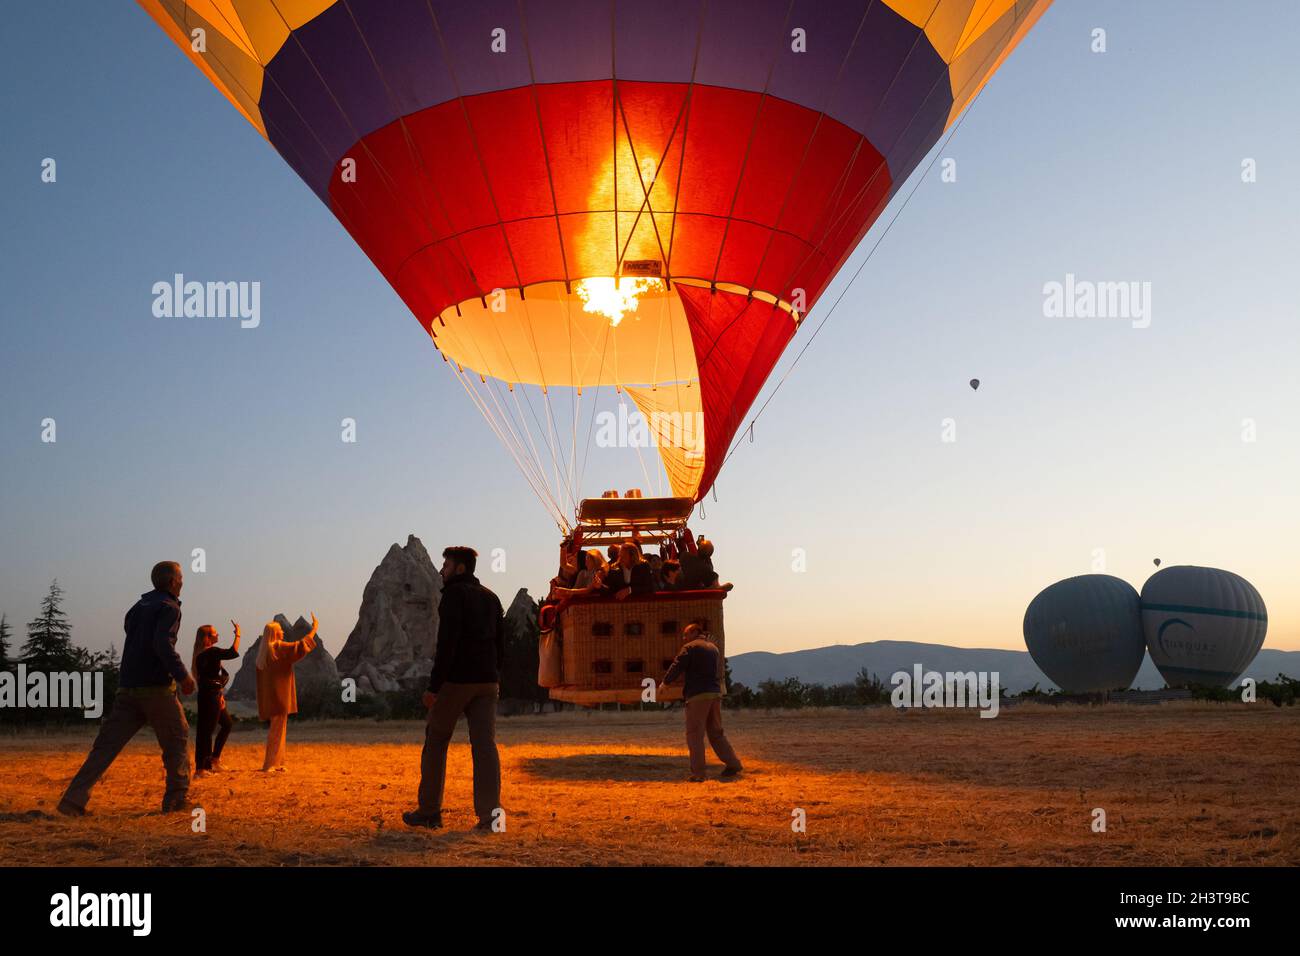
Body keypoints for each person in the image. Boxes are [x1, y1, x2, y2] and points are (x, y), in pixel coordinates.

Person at [58, 561, 196, 815]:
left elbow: (133, 636)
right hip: (157, 690)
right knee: (177, 740)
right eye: (181, 578)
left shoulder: (137, 607)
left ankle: (72, 801)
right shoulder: (170, 607)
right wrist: (183, 676)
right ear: (172, 582)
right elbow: (162, 644)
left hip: (127, 688)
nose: (183, 582)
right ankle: (176, 800)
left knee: (105, 747)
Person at [405, 546, 505, 831]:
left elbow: (446, 644)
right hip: (487, 681)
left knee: (436, 739)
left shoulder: (453, 596)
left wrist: (434, 687)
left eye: (446, 565)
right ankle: (490, 818)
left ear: (460, 568)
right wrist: (495, 675)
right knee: (485, 746)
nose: (441, 570)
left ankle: (429, 811)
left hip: (458, 679)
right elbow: (501, 643)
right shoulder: (492, 597)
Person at [659, 623, 742, 782]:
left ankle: (698, 774)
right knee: (716, 733)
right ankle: (733, 763)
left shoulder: (690, 648)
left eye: (686, 634)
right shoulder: (713, 648)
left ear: (695, 632)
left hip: (698, 695)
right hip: (715, 694)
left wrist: (665, 683)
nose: (684, 638)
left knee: (695, 734)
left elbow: (677, 666)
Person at [255, 615, 318, 772]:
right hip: (281, 696)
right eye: (280, 631)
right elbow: (300, 646)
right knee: (277, 731)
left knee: (278, 730)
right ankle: (270, 764)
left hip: (271, 697)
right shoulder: (279, 647)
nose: (283, 632)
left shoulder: (263, 653)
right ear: (275, 634)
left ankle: (278, 762)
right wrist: (314, 629)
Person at [191, 621, 240, 776]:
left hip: (212, 694)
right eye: (215, 633)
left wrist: (220, 694)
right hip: (210, 696)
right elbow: (232, 652)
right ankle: (201, 768)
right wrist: (238, 634)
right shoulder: (211, 652)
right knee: (206, 731)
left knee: (226, 724)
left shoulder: (201, 654)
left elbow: (211, 677)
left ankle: (214, 760)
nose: (218, 635)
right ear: (208, 637)